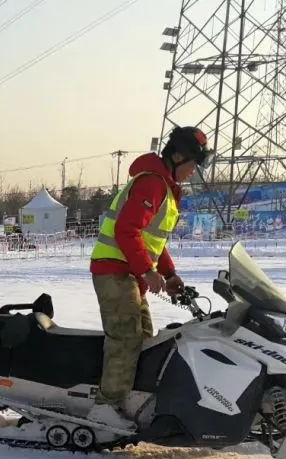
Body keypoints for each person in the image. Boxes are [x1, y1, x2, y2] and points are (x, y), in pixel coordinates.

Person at [88, 126, 211, 430]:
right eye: (192, 165)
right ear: (178, 157)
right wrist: (148, 270)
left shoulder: (165, 188)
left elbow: (153, 239)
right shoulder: (153, 184)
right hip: (114, 269)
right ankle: (105, 407)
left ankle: (130, 400)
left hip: (128, 272)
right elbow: (126, 231)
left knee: (144, 338)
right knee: (126, 337)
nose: (192, 173)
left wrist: (168, 274)